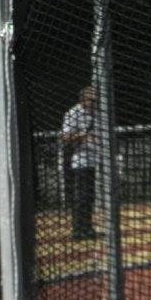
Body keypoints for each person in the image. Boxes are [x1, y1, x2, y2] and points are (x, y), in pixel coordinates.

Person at [60, 85, 99, 240]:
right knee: (81, 196)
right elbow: (65, 137)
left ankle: (87, 227)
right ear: (83, 99)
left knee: (89, 197)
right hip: (80, 159)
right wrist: (83, 135)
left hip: (95, 159)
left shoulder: (97, 114)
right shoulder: (73, 113)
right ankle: (78, 229)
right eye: (91, 99)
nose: (94, 102)